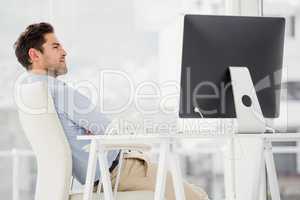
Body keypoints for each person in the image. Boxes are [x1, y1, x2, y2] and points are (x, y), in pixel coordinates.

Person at [14, 22, 209, 200]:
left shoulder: (31, 93)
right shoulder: (58, 91)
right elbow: (110, 130)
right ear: (34, 55)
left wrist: (90, 132)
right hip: (118, 172)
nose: (64, 52)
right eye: (55, 47)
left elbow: (97, 130)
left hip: (95, 177)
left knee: (193, 192)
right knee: (197, 197)